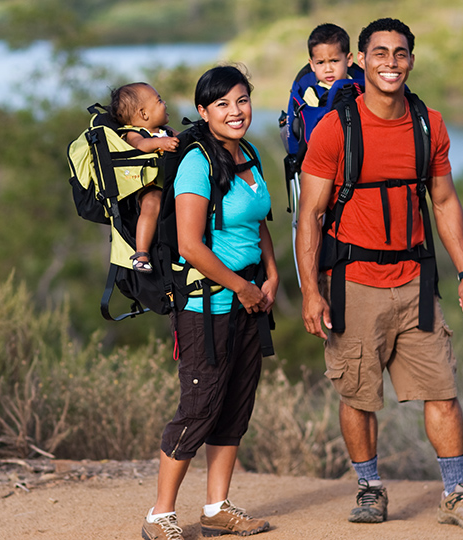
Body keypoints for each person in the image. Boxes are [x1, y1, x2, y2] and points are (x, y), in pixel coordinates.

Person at [295, 18, 463, 530]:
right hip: (353, 283)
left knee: (443, 392)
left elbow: (445, 200)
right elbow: (310, 215)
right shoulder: (333, 128)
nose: (391, 62)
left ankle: (456, 492)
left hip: (416, 281)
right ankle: (369, 488)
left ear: (411, 60)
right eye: (380, 53)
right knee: (358, 396)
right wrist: (311, 292)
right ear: (360, 61)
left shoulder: (429, 124)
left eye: (401, 53)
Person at [141, 65, 278, 540]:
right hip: (207, 306)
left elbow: (258, 220)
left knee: (235, 406)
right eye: (222, 104)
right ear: (203, 111)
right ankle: (160, 516)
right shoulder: (198, 162)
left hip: (250, 299)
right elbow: (190, 246)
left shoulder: (249, 154)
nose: (235, 112)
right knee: (199, 407)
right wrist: (241, 288)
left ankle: (216, 508)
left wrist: (272, 272)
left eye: (241, 100)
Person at [107, 82, 180, 273]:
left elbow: (184, 138)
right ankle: (141, 254)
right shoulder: (133, 133)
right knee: (151, 204)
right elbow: (141, 145)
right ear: (144, 114)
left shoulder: (165, 129)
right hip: (148, 185)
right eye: (159, 100)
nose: (164, 103)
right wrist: (160, 143)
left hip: (172, 183)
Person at [301, 23, 355, 107]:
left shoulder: (359, 88)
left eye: (334, 61)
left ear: (349, 60)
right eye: (320, 63)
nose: (328, 69)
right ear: (312, 65)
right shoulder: (313, 94)